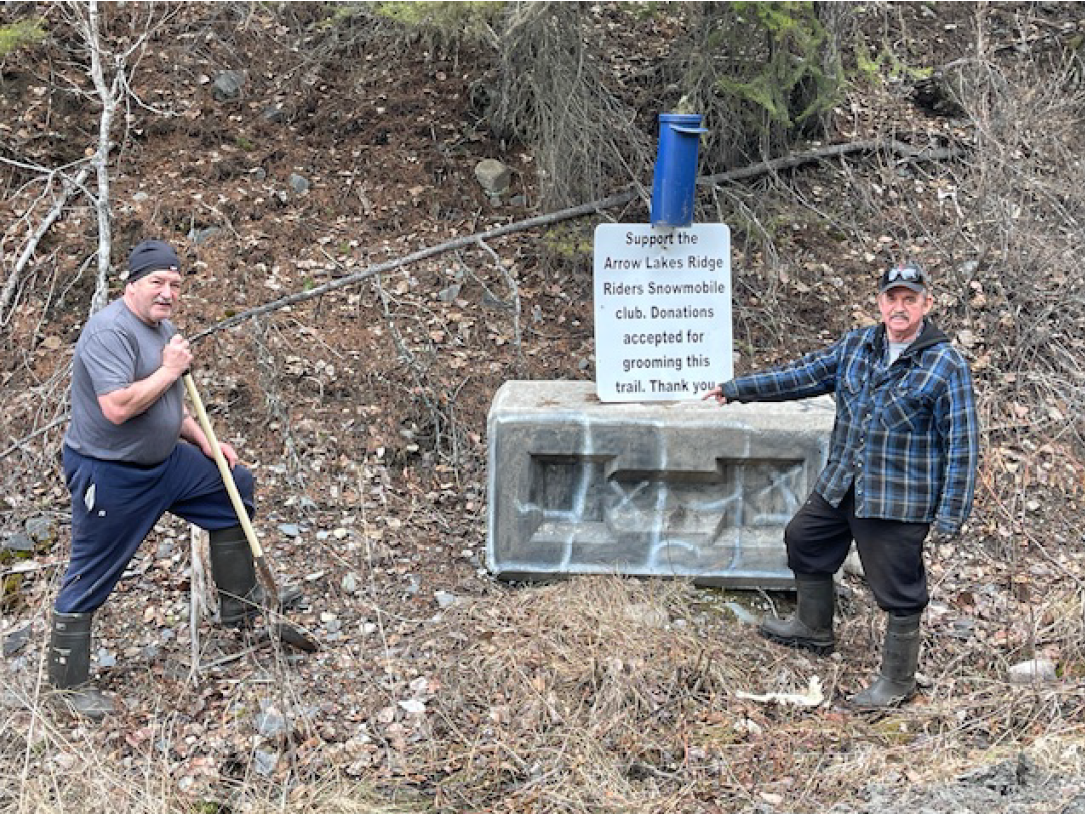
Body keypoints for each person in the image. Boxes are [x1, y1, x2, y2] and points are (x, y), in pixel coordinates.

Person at [703, 261, 979, 708]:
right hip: (842, 484)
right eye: (893, 298)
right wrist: (738, 388)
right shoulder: (860, 344)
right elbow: (804, 375)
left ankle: (897, 680)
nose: (900, 307)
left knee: (898, 588)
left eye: (910, 299)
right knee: (805, 538)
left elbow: (963, 442)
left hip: (898, 499)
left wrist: (951, 512)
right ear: (880, 303)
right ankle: (814, 629)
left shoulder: (945, 365)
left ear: (926, 304)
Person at [50, 239, 299, 719]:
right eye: (156, 283)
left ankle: (240, 608)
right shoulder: (108, 333)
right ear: (131, 285)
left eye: (175, 285)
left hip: (166, 463)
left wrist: (202, 440)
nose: (167, 293)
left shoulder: (163, 327)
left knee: (233, 486)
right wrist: (170, 368)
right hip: (112, 472)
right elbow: (118, 407)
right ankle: (66, 688)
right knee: (90, 570)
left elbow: (170, 403)